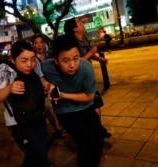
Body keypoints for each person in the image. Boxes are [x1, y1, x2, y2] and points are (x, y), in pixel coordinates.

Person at [41, 35, 103, 167]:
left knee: (98, 140)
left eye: (76, 58)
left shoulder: (85, 68)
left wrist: (62, 95)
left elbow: (89, 96)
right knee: (87, 142)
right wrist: (47, 85)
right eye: (66, 60)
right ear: (56, 61)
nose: (72, 65)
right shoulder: (46, 67)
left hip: (86, 107)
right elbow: (37, 76)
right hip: (65, 112)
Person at [0, 40, 50, 167]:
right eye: (24, 61)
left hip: (38, 115)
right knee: (41, 159)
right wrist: (9, 88)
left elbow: (41, 80)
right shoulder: (5, 69)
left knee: (39, 153)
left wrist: (49, 86)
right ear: (13, 59)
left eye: (33, 59)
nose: (30, 64)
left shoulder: (36, 64)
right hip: (18, 122)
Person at [64, 17, 112, 139]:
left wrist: (100, 59)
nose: (82, 23)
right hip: (78, 81)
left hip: (88, 77)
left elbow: (89, 53)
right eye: (79, 22)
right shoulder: (71, 44)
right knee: (90, 105)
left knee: (96, 104)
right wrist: (91, 53)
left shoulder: (84, 38)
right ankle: (94, 131)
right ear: (75, 29)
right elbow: (75, 64)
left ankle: (97, 128)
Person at [31, 33, 66, 139]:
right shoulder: (32, 59)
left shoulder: (50, 56)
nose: (39, 45)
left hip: (54, 85)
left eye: (41, 42)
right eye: (36, 43)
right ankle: (57, 129)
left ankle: (64, 125)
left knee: (59, 106)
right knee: (49, 109)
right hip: (41, 89)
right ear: (32, 45)